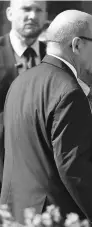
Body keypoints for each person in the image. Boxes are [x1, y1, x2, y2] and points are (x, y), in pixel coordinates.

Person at [0, 10, 92, 227]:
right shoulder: (69, 91)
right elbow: (73, 166)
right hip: (54, 216)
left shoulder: (21, 82)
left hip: (20, 214)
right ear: (76, 45)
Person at [0, 0, 47, 186]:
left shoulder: (56, 56)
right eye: (26, 9)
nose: (33, 16)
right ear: (10, 13)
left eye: (39, 10)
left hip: (45, 174)